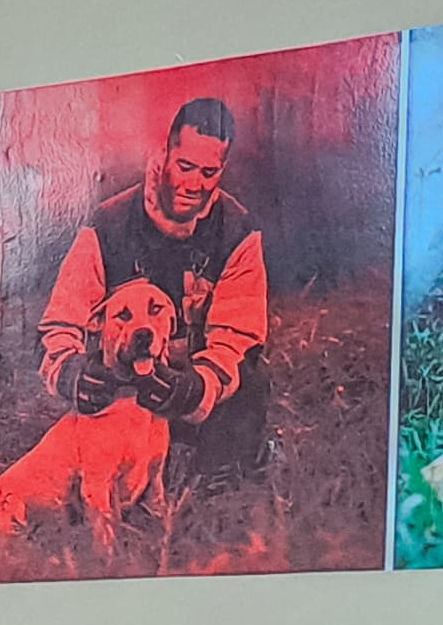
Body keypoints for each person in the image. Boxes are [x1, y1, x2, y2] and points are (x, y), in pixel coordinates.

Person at [34, 93, 269, 490]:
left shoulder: (238, 232)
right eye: (185, 166)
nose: (193, 184)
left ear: (223, 169)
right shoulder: (107, 225)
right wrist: (75, 374)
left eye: (208, 172)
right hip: (120, 394)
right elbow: (58, 326)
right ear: (164, 153)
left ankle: (219, 478)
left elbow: (239, 340)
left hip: (194, 395)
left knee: (253, 377)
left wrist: (196, 388)